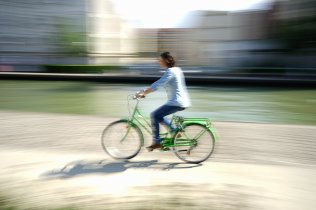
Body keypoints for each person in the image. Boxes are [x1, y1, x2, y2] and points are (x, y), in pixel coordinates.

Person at [136, 52, 191, 151]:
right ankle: (174, 131)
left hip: (176, 102)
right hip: (182, 101)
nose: (159, 61)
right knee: (158, 116)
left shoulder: (170, 72)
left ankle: (157, 141)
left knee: (154, 115)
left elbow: (158, 84)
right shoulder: (177, 70)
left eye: (160, 60)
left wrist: (143, 92)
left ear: (165, 60)